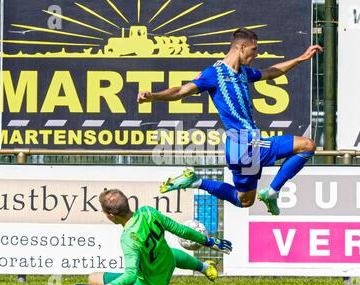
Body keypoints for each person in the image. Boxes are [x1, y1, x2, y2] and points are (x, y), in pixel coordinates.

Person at [137, 28, 323, 215]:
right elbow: (180, 91)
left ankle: (196, 181)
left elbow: (270, 72)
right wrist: (153, 96)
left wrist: (300, 59)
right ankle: (272, 192)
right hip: (246, 143)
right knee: (307, 145)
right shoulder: (214, 73)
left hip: (237, 147)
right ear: (242, 47)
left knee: (245, 200)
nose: (256, 54)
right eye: (254, 49)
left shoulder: (243, 72)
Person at [73, 189, 232, 285]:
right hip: (168, 263)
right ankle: (204, 267)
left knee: (93, 277)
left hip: (152, 284)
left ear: (111, 215)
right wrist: (209, 241)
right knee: (167, 251)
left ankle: (204, 267)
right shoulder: (148, 211)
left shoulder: (128, 237)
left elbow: (130, 276)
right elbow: (180, 230)